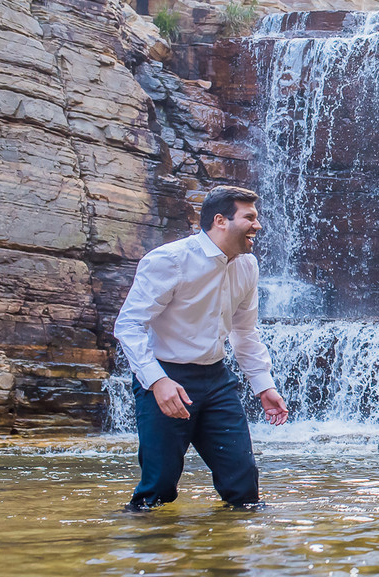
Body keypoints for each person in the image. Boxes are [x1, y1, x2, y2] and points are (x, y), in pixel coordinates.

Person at [114, 186, 289, 509]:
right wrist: (157, 381)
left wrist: (264, 386)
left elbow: (244, 332)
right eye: (249, 217)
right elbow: (128, 325)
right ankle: (144, 551)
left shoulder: (247, 266)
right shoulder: (170, 260)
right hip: (166, 377)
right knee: (158, 488)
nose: (258, 225)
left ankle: (236, 553)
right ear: (220, 221)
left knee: (245, 487)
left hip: (217, 380)